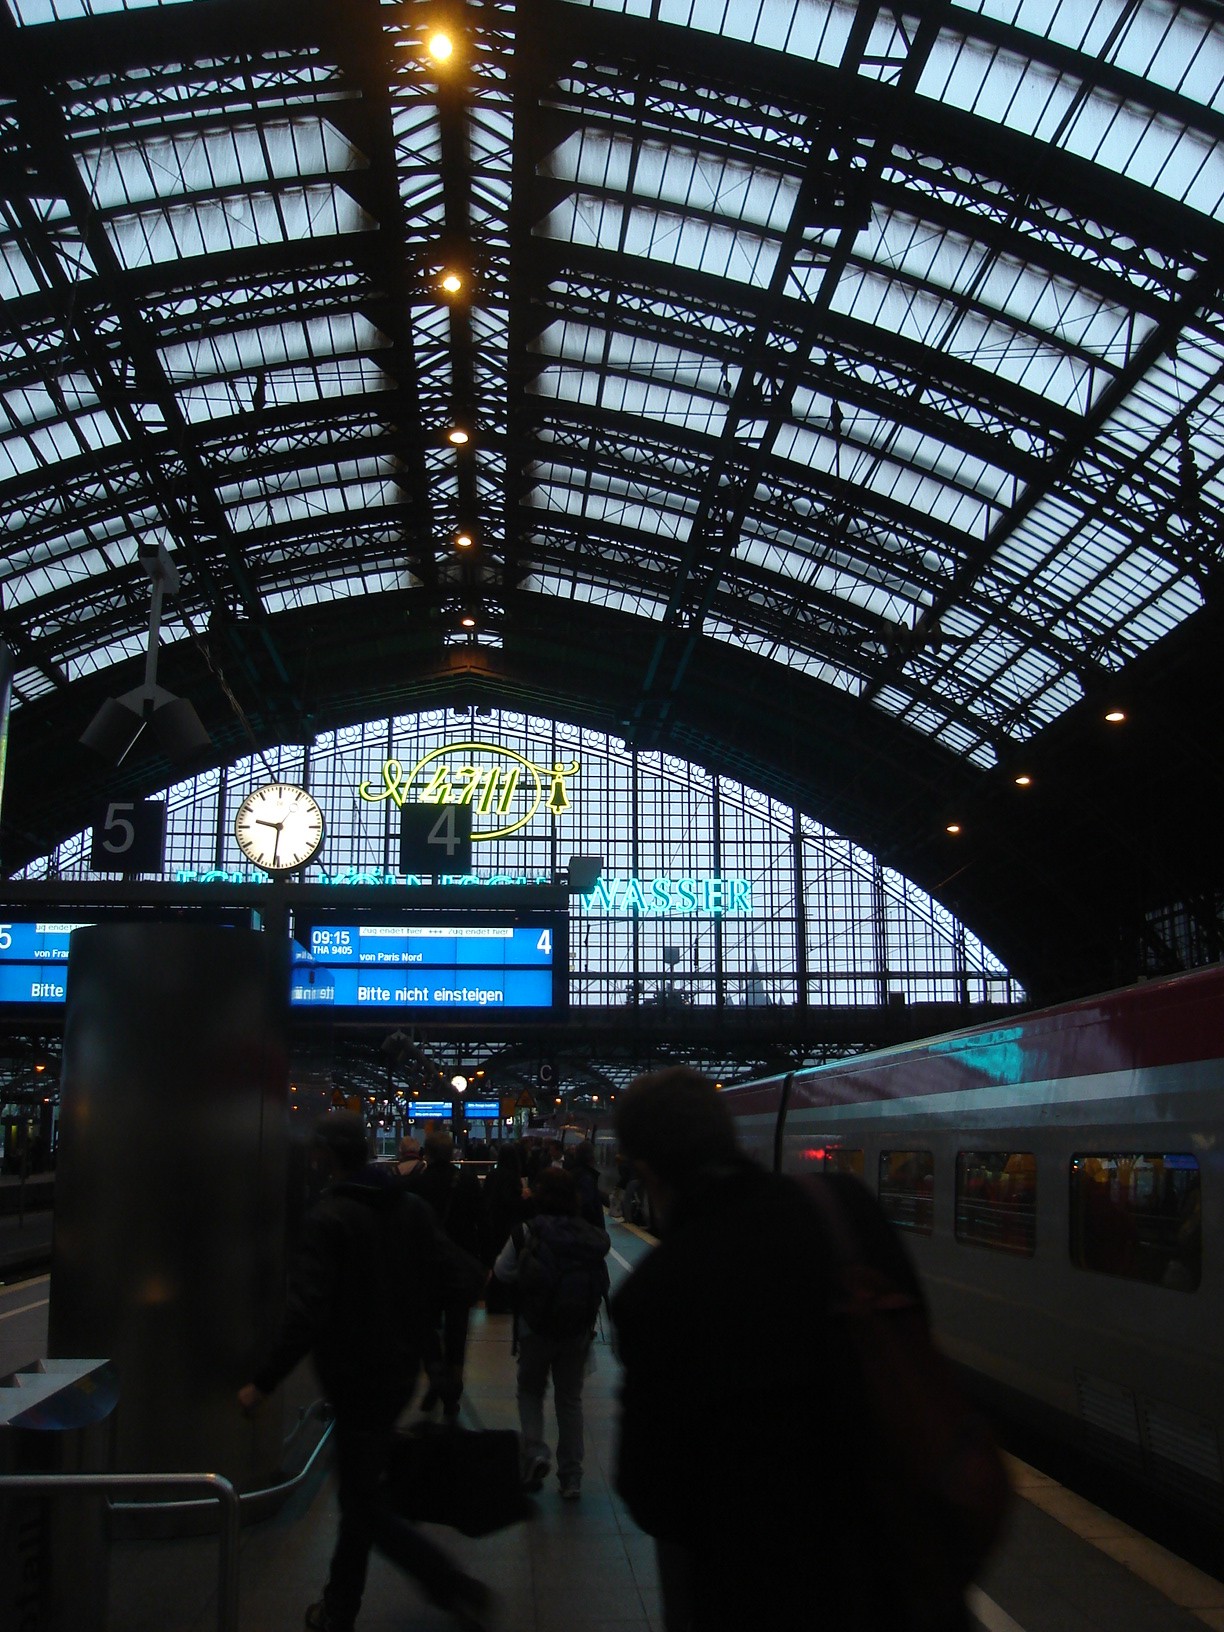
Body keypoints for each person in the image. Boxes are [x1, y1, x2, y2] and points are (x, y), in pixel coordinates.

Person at [610, 1066, 938, 1632]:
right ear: (729, 1136)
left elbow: (652, 1492)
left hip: (749, 1595)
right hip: (893, 1578)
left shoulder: (655, 1293)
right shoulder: (845, 1210)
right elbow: (915, 1353)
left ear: (647, 1171)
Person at [237, 1111, 492, 1632]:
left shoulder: (328, 1217)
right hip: (399, 1374)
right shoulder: (412, 1209)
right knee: (360, 1496)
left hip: (353, 1375)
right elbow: (464, 1277)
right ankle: (339, 1607)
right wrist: (420, 1316)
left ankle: (449, 1584)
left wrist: (263, 1382)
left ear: (327, 1155)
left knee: (362, 1503)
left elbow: (305, 1313)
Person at [493, 1165, 609, 1501]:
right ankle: (571, 1477)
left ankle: (535, 1453)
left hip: (535, 1326)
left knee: (530, 1390)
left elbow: (502, 1272)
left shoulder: (527, 1231)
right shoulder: (588, 1235)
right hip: (577, 1329)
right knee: (569, 1399)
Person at [405, 1128, 488, 1418]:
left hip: (426, 1268)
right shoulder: (467, 1181)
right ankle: (454, 1385)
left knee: (426, 1327)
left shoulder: (417, 1184)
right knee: (457, 1330)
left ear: (426, 1153)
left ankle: (435, 1376)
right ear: (452, 1152)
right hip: (461, 1266)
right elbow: (481, 1220)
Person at [483, 1143, 528, 1314]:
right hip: (508, 1226)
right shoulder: (512, 1177)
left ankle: (493, 1300)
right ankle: (505, 1300)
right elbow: (512, 1203)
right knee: (508, 1262)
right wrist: (524, 1197)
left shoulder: (492, 1175)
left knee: (494, 1263)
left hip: (492, 1225)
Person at [564, 1139, 605, 1229]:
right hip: (587, 1229)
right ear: (591, 1158)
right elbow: (586, 1206)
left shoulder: (572, 1172)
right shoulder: (587, 1178)